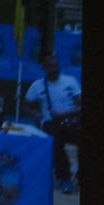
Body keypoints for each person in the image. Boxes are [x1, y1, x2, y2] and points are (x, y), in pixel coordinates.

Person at [23, 53, 81, 193]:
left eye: (56, 67)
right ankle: (64, 179)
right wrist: (35, 114)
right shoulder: (37, 86)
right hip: (50, 122)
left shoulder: (70, 81)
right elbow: (25, 107)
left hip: (70, 120)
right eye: (50, 67)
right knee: (55, 142)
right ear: (44, 68)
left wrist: (65, 113)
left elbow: (80, 106)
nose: (54, 70)